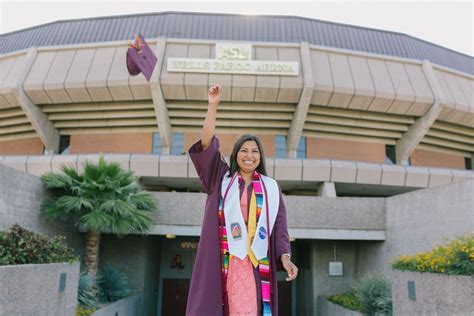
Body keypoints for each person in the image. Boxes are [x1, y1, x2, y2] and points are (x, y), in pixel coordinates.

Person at [186, 84, 298, 316]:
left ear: (260, 157)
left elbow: (280, 229)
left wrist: (285, 259)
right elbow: (206, 144)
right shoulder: (221, 178)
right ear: (236, 153)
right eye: (244, 150)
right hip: (224, 259)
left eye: (254, 151)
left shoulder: (271, 188)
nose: (249, 155)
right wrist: (213, 105)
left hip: (255, 262)